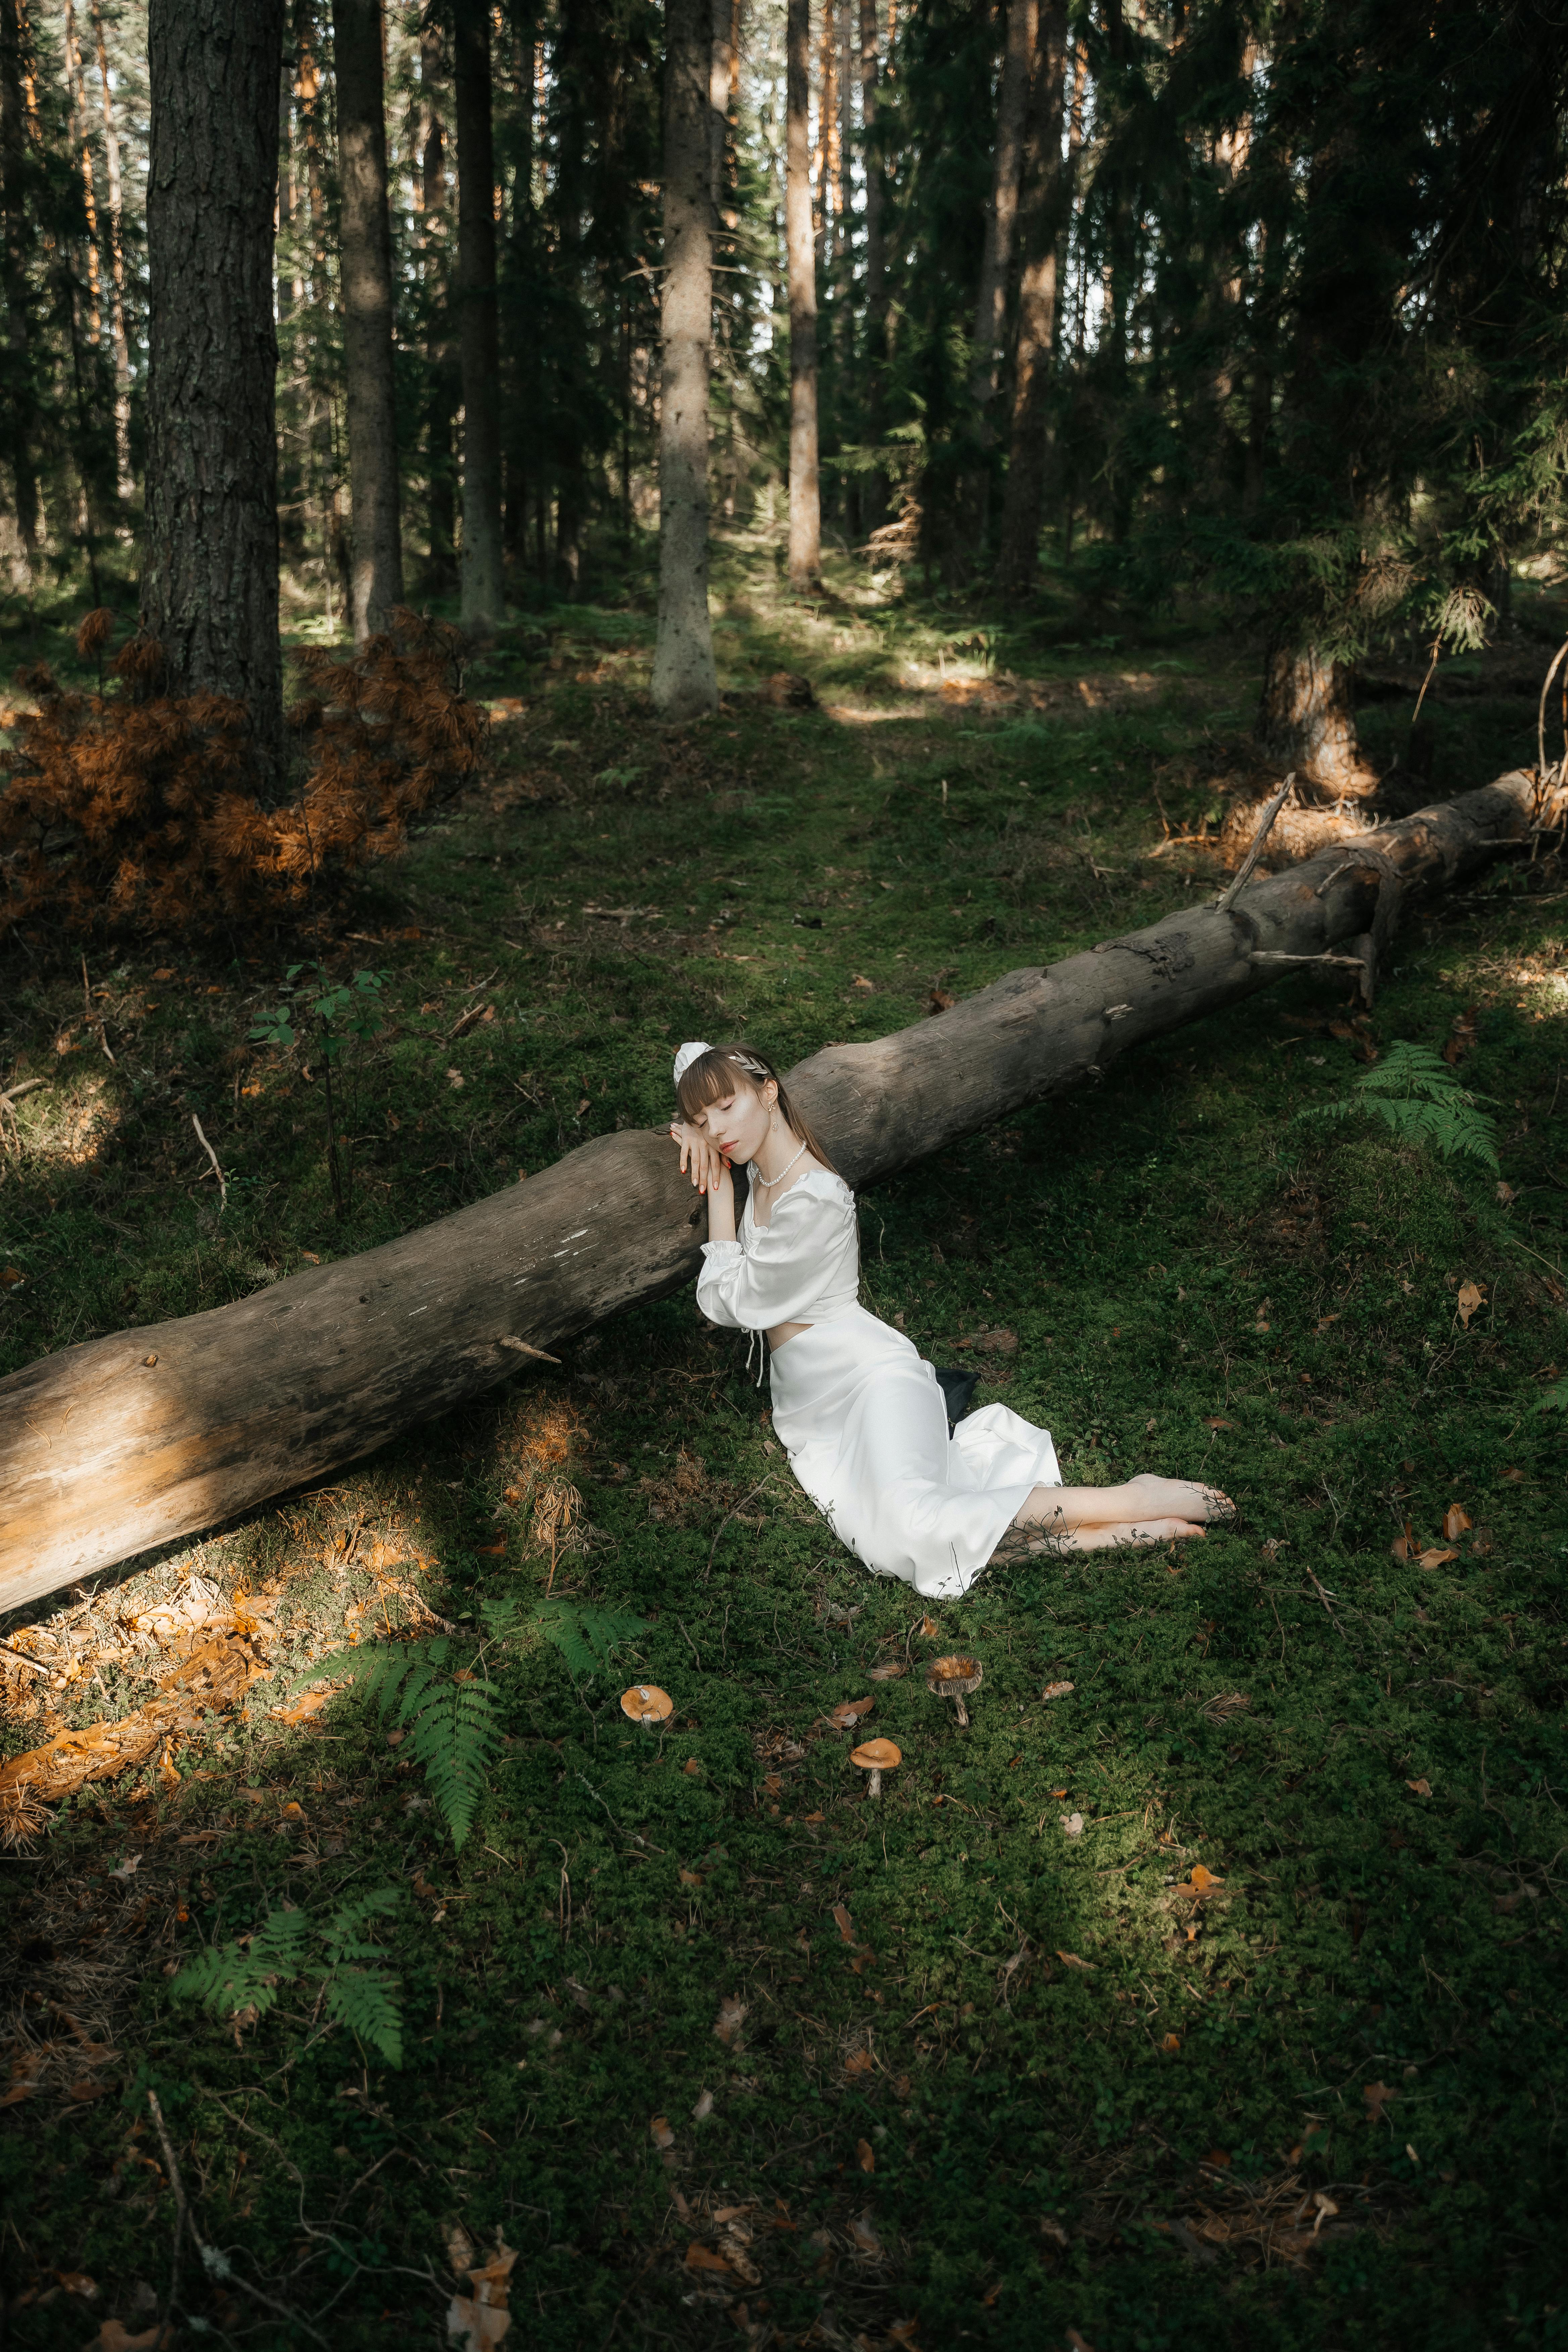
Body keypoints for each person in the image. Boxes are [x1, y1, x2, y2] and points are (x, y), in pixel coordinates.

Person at [667, 1040, 1231, 1600]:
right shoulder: (766, 1178)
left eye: (726, 1107)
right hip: (814, 1412)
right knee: (895, 1550)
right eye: (702, 1120)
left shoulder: (814, 1199)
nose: (716, 1129)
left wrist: (718, 1186)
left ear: (769, 1093)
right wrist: (706, 1146)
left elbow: (728, 1301)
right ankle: (1120, 1536)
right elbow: (696, 1066)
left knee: (917, 1527)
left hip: (870, 1381)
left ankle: (1131, 1500)